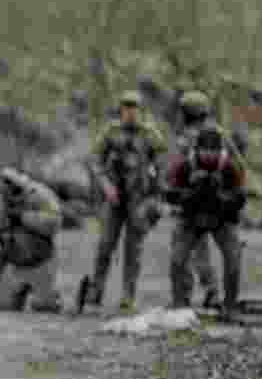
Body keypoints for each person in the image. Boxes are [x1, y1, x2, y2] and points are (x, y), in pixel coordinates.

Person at [79, 91, 167, 313]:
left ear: (141, 110)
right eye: (126, 107)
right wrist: (106, 186)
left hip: (139, 197)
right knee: (105, 245)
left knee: (133, 250)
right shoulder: (111, 131)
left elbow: (162, 165)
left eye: (134, 108)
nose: (130, 112)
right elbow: (94, 161)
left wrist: (156, 195)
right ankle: (95, 294)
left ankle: (128, 297)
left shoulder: (150, 134)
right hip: (114, 196)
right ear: (121, 110)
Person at [165, 125, 247, 322]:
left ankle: (230, 306)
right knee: (177, 259)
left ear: (220, 151)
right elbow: (170, 194)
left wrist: (221, 197)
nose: (209, 155)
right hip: (191, 217)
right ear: (198, 150)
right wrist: (192, 192)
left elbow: (241, 198)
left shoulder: (230, 167)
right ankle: (179, 305)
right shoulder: (185, 166)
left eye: (214, 151)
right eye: (205, 151)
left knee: (234, 257)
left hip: (222, 218)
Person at [172, 90, 240, 309]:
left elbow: (176, 172)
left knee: (186, 250)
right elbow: (238, 165)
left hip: (198, 202)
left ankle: (190, 294)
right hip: (213, 201)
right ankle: (211, 292)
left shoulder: (185, 138)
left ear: (188, 112)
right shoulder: (220, 133)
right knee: (201, 251)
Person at [0, 167, 63, 312]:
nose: (7, 194)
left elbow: (55, 221)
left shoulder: (41, 195)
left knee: (44, 306)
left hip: (41, 260)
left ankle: (49, 295)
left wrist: (23, 217)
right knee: (4, 306)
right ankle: (16, 292)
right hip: (13, 260)